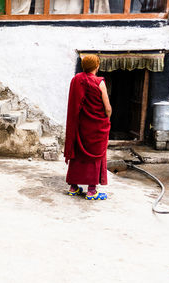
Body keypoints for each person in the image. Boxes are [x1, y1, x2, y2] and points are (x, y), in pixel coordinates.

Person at [64, 54, 112, 200]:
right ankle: (92, 191)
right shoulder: (99, 82)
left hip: (81, 126)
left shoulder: (76, 79)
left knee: (78, 154)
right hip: (96, 126)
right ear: (97, 66)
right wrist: (106, 119)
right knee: (95, 155)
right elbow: (107, 107)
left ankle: (73, 187)